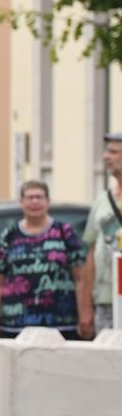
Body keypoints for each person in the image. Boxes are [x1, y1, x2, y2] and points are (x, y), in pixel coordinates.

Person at [0, 180, 92, 344]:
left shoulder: (64, 232)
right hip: (16, 326)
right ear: (21, 202)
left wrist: (85, 314)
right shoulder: (10, 235)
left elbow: (81, 277)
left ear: (48, 201)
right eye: (30, 197)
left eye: (39, 197)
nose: (35, 202)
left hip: (61, 324)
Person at [82, 132, 122, 333]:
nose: (106, 157)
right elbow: (91, 252)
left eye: (113, 152)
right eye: (107, 151)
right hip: (105, 299)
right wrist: (86, 307)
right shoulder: (102, 200)